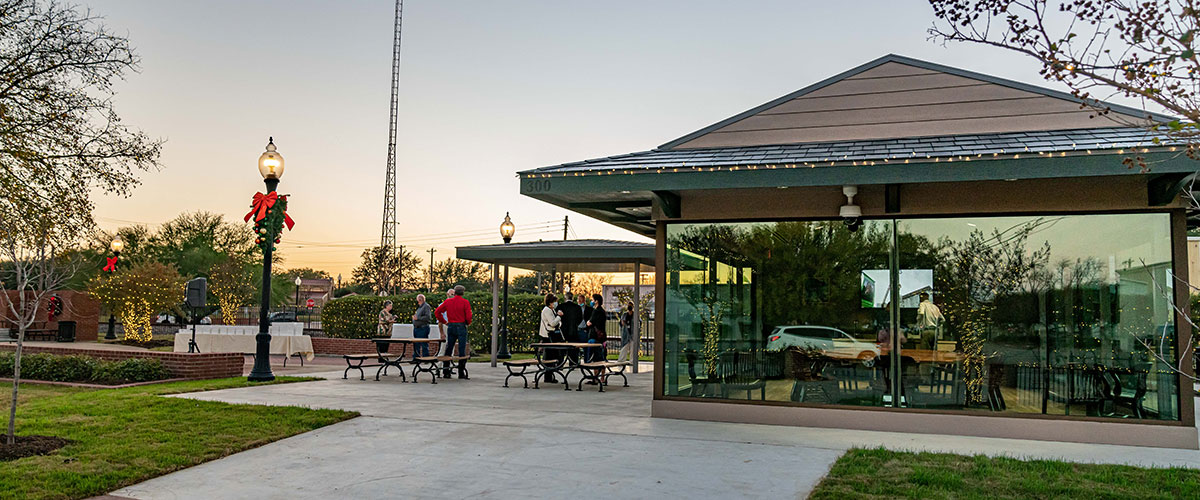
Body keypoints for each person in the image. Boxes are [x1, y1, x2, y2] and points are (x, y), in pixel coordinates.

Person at [434, 285, 472, 379]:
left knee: (449, 348)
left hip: (451, 325)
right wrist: (467, 322)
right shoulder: (465, 302)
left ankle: (446, 371)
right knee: (461, 349)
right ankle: (461, 372)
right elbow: (468, 315)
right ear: (463, 292)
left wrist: (444, 321)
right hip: (461, 325)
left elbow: (437, 312)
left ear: (454, 292)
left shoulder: (448, 301)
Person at [539, 293, 563, 383]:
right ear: (550, 302)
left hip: (550, 335)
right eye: (555, 301)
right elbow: (553, 323)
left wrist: (557, 320)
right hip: (547, 336)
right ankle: (548, 376)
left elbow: (557, 324)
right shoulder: (547, 310)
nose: (556, 303)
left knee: (551, 356)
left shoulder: (551, 310)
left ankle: (550, 375)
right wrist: (559, 317)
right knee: (549, 357)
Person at [584, 293, 608, 384]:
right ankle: (602, 377)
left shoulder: (596, 311)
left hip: (594, 336)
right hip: (602, 337)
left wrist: (588, 322)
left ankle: (595, 378)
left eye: (593, 300)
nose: (592, 301)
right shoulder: (603, 311)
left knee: (595, 358)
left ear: (596, 301)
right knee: (602, 357)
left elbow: (590, 323)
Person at [556, 292, 583, 364]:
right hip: (573, 330)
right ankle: (573, 363)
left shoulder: (561, 306)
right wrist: (575, 324)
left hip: (563, 329)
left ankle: (560, 363)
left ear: (565, 298)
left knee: (561, 348)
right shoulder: (577, 307)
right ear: (573, 298)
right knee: (573, 347)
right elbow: (580, 318)